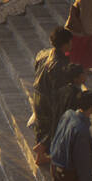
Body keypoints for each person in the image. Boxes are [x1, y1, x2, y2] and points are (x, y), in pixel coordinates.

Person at [31, 27, 73, 163]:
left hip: (38, 93)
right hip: (48, 98)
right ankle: (43, 147)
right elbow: (60, 88)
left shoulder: (43, 54)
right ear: (65, 44)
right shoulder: (60, 64)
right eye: (70, 42)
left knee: (41, 125)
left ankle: (40, 155)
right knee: (56, 124)